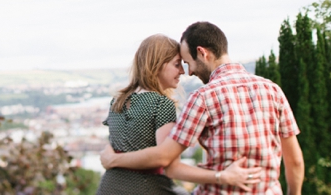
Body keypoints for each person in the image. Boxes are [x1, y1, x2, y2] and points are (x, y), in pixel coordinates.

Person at [100, 23, 304, 195]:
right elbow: (294, 162)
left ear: (202, 53)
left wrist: (114, 158)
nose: (188, 72)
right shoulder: (273, 89)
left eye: (187, 63)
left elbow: (170, 164)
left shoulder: (203, 97)